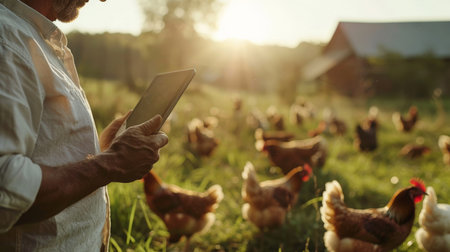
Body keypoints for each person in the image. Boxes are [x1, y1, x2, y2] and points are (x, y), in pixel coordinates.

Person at [0, 0, 169, 250]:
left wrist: (103, 150)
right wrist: (110, 164)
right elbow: (5, 187)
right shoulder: (8, 40)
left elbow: (46, 149)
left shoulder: (35, 37)